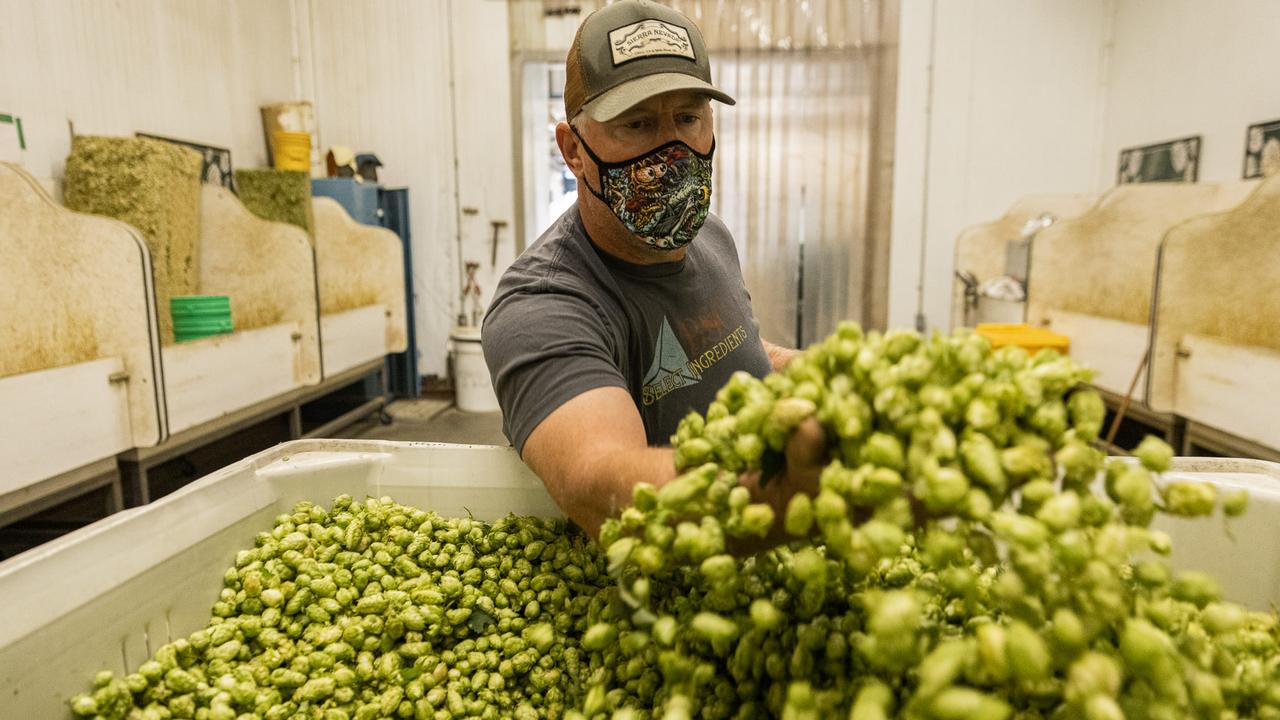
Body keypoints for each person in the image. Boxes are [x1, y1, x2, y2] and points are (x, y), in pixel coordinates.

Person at [483, 0, 823, 537]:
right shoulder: (543, 307)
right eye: (637, 124)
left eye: (688, 118)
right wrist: (818, 490)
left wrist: (824, 377)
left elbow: (721, 355)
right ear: (573, 150)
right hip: (633, 593)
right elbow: (604, 485)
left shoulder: (709, 235)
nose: (673, 148)